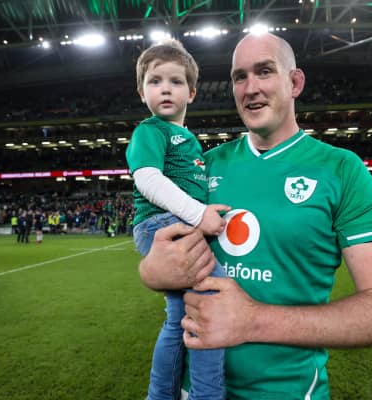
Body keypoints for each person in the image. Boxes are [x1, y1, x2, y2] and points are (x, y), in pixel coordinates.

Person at [138, 33, 372, 399]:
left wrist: (252, 320)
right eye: (240, 77)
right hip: (193, 391)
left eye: (264, 71)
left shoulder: (342, 170)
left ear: (295, 82)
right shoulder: (204, 165)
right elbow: (159, 247)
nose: (250, 88)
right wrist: (150, 272)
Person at [125, 39, 230, 400]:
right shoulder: (151, 130)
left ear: (192, 92)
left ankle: (161, 394)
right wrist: (200, 214)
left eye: (175, 81)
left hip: (173, 222)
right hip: (161, 224)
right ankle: (207, 395)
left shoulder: (190, 141)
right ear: (142, 93)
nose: (165, 88)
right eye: (155, 81)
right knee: (212, 298)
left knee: (178, 318)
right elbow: (147, 180)